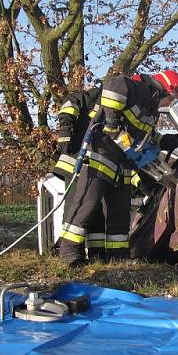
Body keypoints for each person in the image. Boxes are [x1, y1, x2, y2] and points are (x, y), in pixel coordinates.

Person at [59, 70, 178, 265]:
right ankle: (69, 253)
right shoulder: (137, 89)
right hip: (100, 157)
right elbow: (115, 85)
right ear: (162, 89)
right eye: (171, 98)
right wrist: (111, 122)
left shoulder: (150, 112)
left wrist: (172, 141)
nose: (170, 103)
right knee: (87, 205)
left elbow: (149, 140)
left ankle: (116, 259)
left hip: (123, 166)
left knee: (119, 217)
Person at [51, 86, 107, 260]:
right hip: (75, 164)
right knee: (76, 208)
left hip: (94, 168)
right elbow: (70, 103)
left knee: (96, 211)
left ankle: (98, 254)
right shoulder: (94, 97)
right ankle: (68, 252)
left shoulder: (116, 107)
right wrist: (66, 130)